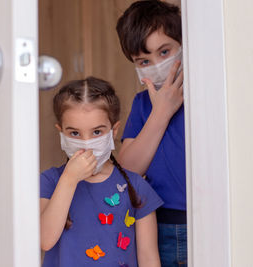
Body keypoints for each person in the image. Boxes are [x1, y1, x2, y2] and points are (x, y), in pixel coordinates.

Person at [40, 77, 163, 267]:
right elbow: (45, 240)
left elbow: (149, 258)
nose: (87, 143)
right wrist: (69, 179)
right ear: (61, 132)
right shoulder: (49, 181)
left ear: (114, 131)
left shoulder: (137, 187)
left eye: (97, 132)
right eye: (74, 133)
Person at [116, 1, 187, 266]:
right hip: (163, 224)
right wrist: (161, 112)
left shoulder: (207, 94)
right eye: (144, 61)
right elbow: (128, 167)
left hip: (208, 218)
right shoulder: (143, 103)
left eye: (165, 51)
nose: (157, 65)